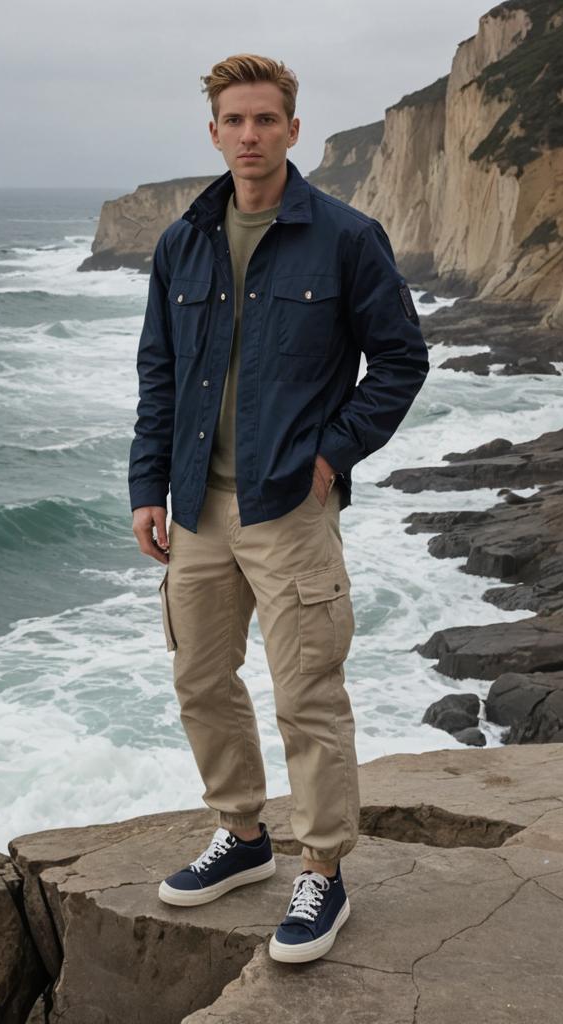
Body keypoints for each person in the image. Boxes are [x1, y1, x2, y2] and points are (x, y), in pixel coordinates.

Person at [128, 52, 429, 963]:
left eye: (266, 121)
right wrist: (149, 486)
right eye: (235, 122)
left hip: (290, 512)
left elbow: (402, 360)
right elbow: (161, 374)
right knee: (200, 682)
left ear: (293, 131)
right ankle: (244, 835)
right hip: (197, 511)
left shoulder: (343, 236)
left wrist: (335, 453)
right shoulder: (183, 241)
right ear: (214, 132)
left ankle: (323, 873)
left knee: (307, 698)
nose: (250, 136)